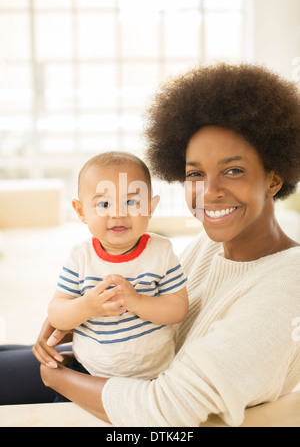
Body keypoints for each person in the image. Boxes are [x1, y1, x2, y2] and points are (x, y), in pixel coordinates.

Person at [1, 63, 300, 428]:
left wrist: (56, 378)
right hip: (108, 361)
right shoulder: (213, 244)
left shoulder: (289, 284)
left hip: (117, 388)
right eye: (195, 173)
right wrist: (73, 315)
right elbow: (159, 302)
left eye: (233, 170)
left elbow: (165, 408)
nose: (208, 192)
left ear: (273, 178)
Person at [47, 151, 188, 382]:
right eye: (103, 203)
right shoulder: (80, 258)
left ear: (151, 207)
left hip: (154, 377)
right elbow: (56, 314)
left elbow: (178, 309)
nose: (118, 213)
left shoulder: (161, 252)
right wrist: (86, 306)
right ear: (82, 212)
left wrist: (137, 301)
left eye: (131, 202)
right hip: (90, 373)